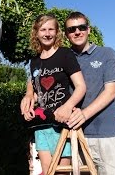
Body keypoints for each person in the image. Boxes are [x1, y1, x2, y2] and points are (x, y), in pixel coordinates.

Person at [21, 11, 115, 175]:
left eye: (81, 27)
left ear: (88, 29)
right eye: (72, 29)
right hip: (73, 129)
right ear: (67, 33)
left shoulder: (105, 53)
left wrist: (81, 113)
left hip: (104, 133)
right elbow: (38, 81)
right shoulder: (63, 55)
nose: (77, 31)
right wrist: (28, 94)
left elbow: (110, 92)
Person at [22, 13, 86, 175]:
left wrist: (67, 106)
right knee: (47, 171)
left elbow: (81, 87)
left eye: (51, 29)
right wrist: (29, 101)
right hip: (42, 126)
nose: (47, 33)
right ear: (36, 33)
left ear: (57, 32)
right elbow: (38, 91)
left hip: (62, 125)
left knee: (61, 172)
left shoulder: (65, 54)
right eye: (43, 29)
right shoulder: (34, 61)